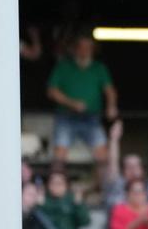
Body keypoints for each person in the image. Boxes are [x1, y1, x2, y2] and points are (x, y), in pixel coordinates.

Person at [48, 35, 118, 168]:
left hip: (91, 118)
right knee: (59, 155)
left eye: (88, 48)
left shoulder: (99, 68)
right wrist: (72, 103)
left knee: (103, 155)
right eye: (81, 47)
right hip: (66, 117)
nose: (84, 51)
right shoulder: (63, 66)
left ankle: (103, 187)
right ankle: (57, 185)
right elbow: (52, 91)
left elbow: (110, 90)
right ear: (75, 49)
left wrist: (111, 106)